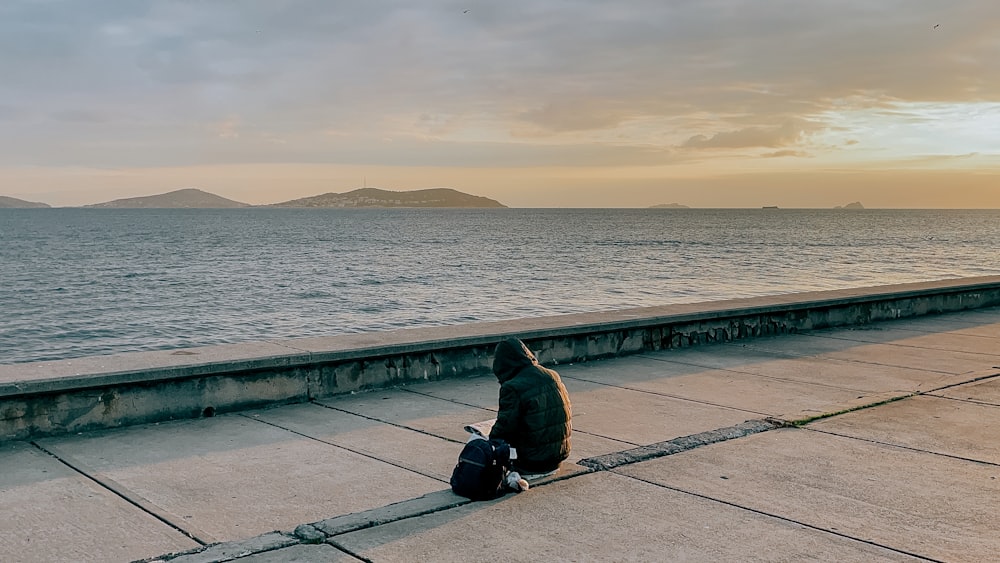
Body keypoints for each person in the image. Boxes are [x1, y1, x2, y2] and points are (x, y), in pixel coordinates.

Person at [488, 338, 572, 478]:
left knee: (479, 444)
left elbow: (504, 428)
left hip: (532, 462)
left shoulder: (513, 387)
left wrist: (488, 441)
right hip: (559, 455)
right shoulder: (552, 375)